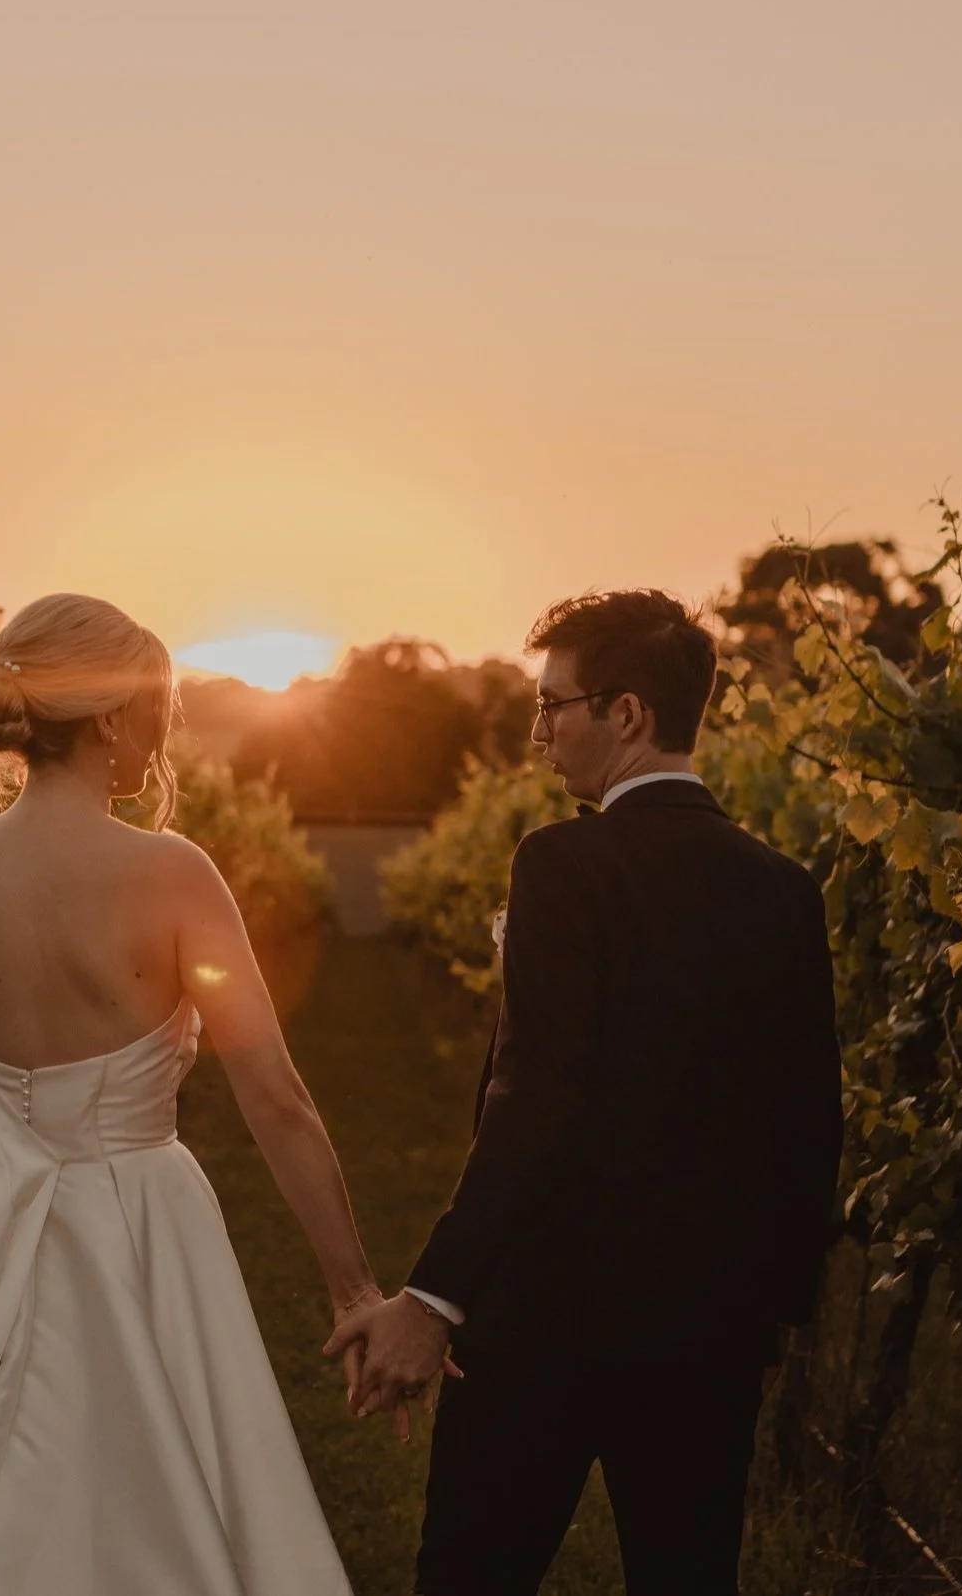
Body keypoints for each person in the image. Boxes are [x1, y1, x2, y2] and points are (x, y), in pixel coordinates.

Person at [0, 593, 378, 1596]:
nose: (166, 729)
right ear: (108, 715)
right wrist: (354, 1287)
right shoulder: (173, 873)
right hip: (142, 1225)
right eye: (158, 706)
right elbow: (276, 1098)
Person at [327, 589, 842, 1596]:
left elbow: (536, 1098)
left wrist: (433, 1298)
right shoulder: (784, 887)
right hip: (713, 1332)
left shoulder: (564, 862)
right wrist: (771, 1314)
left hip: (544, 1323)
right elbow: (810, 1117)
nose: (539, 733)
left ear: (628, 714)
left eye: (553, 705)